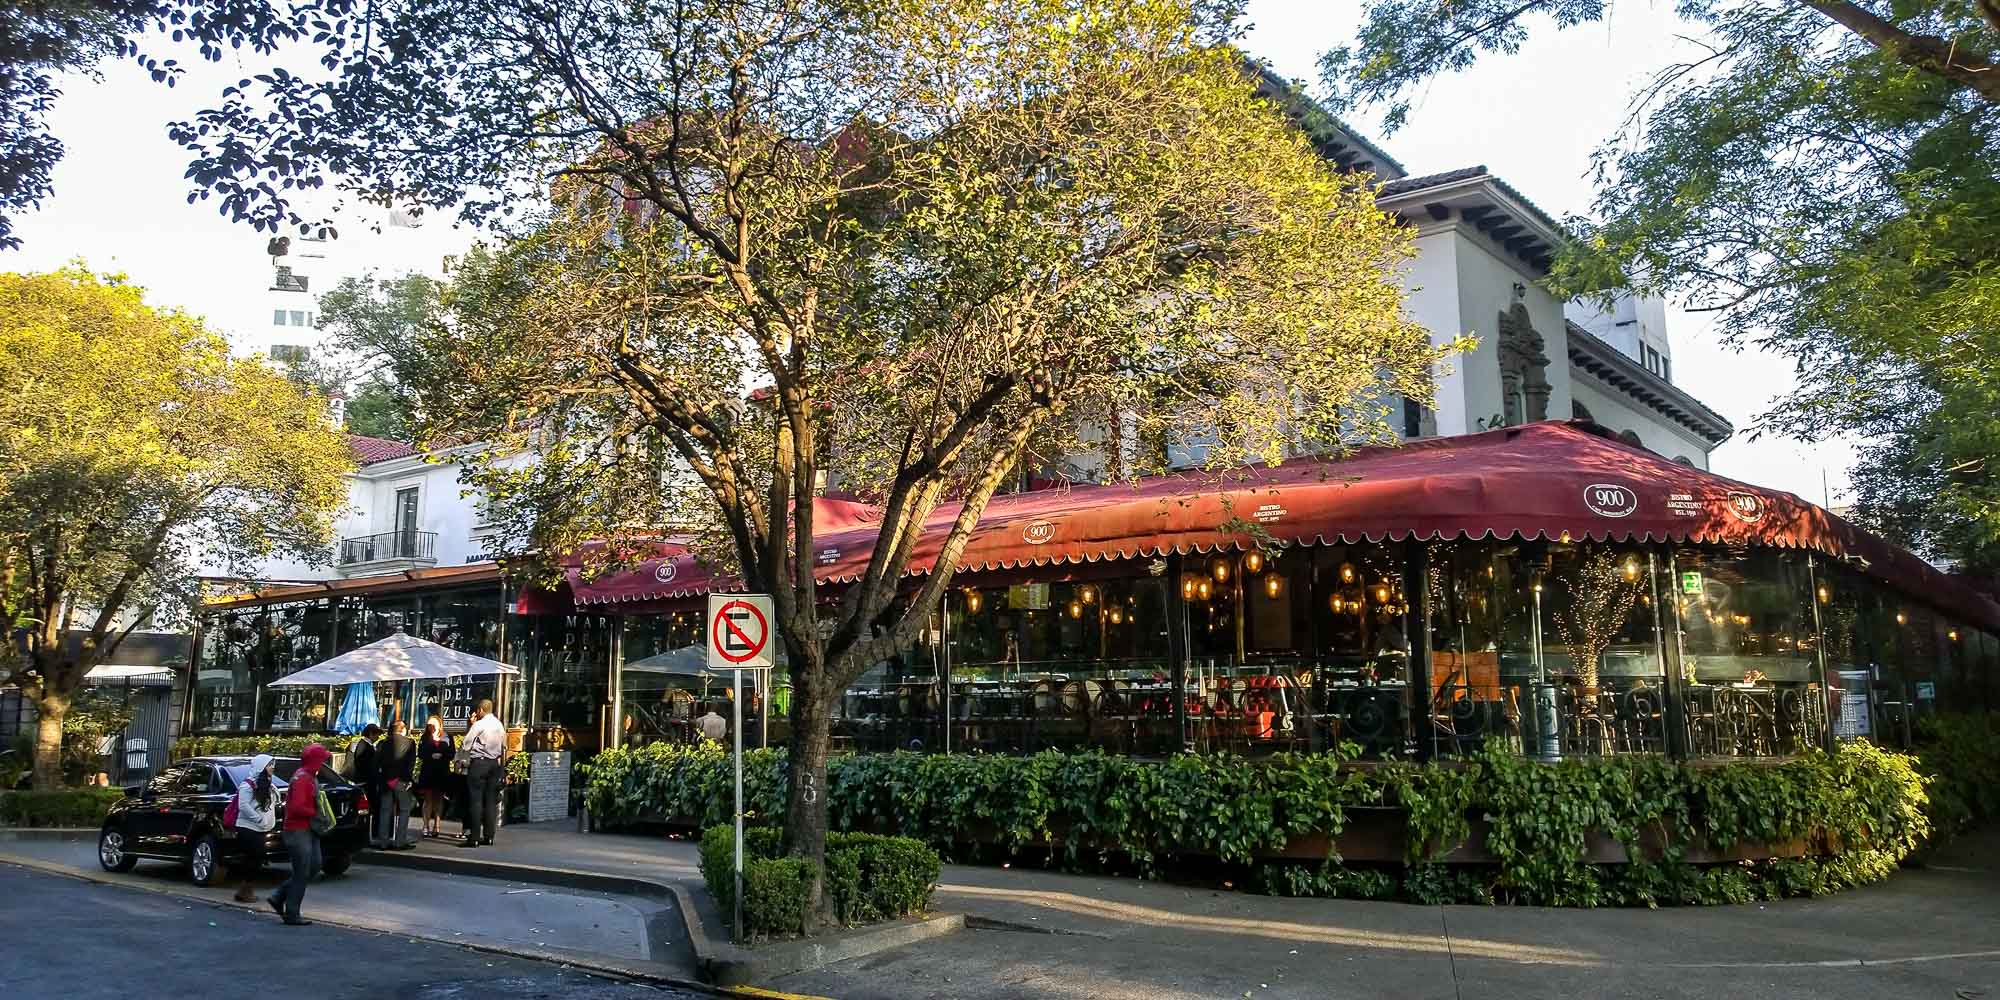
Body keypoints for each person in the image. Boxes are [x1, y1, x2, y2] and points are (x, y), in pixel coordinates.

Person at [269, 743, 330, 926]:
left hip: (307, 829)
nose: (323, 764)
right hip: (299, 829)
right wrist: (317, 812)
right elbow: (297, 807)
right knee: (302, 871)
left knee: (312, 866)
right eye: (321, 760)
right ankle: (292, 912)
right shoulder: (303, 778)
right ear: (315, 761)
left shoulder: (307, 776)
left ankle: (279, 896)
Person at [232, 754, 278, 903]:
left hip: (261, 828)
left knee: (256, 859)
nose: (272, 767)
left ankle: (244, 890)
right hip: (248, 828)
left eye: (273, 764)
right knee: (253, 859)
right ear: (261, 767)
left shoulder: (268, 784)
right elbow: (243, 806)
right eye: (269, 765)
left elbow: (273, 803)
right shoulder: (247, 785)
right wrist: (258, 819)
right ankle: (245, 890)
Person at [460, 699, 505, 848]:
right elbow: (504, 745)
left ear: (480, 710)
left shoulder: (479, 724)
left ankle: (473, 838)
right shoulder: (499, 724)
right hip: (494, 764)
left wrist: (470, 725)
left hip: (479, 763)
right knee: (490, 801)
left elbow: (466, 743)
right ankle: (489, 837)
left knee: (476, 801)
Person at [375, 720, 417, 849]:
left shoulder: (383, 743)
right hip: (401, 781)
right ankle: (400, 841)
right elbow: (410, 764)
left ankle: (383, 842)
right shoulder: (410, 743)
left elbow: (377, 763)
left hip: (385, 781)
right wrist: (409, 780)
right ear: (403, 729)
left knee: (385, 811)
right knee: (404, 810)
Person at [416, 716, 455, 839]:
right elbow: (420, 753)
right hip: (428, 771)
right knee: (428, 799)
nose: (431, 727)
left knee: (439, 798)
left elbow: (452, 753)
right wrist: (431, 755)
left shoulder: (448, 737)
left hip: (442, 771)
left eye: (434, 724)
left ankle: (437, 825)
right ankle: (426, 825)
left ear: (439, 724)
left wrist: (442, 755)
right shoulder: (424, 737)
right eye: (429, 724)